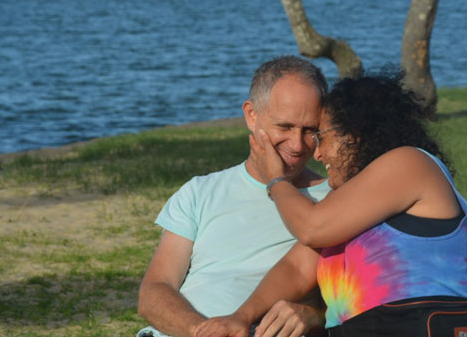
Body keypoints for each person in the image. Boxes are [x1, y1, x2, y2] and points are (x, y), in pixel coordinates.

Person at [195, 72, 467, 336]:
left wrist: (276, 179)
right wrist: (241, 317)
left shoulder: (410, 163)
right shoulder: (351, 198)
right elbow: (296, 267)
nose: (317, 154)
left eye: (321, 137)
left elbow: (310, 228)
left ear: (355, 135)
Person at [137, 56, 332, 337]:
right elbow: (155, 290)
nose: (297, 144)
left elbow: (363, 298)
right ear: (251, 115)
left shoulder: (336, 201)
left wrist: (317, 316)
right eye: (284, 127)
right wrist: (203, 332)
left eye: (310, 130)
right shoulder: (200, 191)